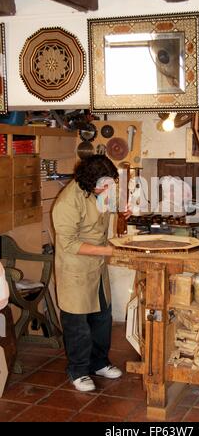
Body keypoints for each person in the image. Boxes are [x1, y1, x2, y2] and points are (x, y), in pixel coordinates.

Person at [52, 154, 130, 392]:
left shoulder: (102, 189)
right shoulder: (67, 202)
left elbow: (112, 204)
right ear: (89, 183)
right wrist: (108, 250)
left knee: (102, 318)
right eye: (105, 185)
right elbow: (69, 243)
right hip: (75, 267)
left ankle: (100, 363)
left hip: (96, 265)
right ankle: (78, 370)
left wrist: (123, 210)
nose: (109, 189)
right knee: (78, 324)